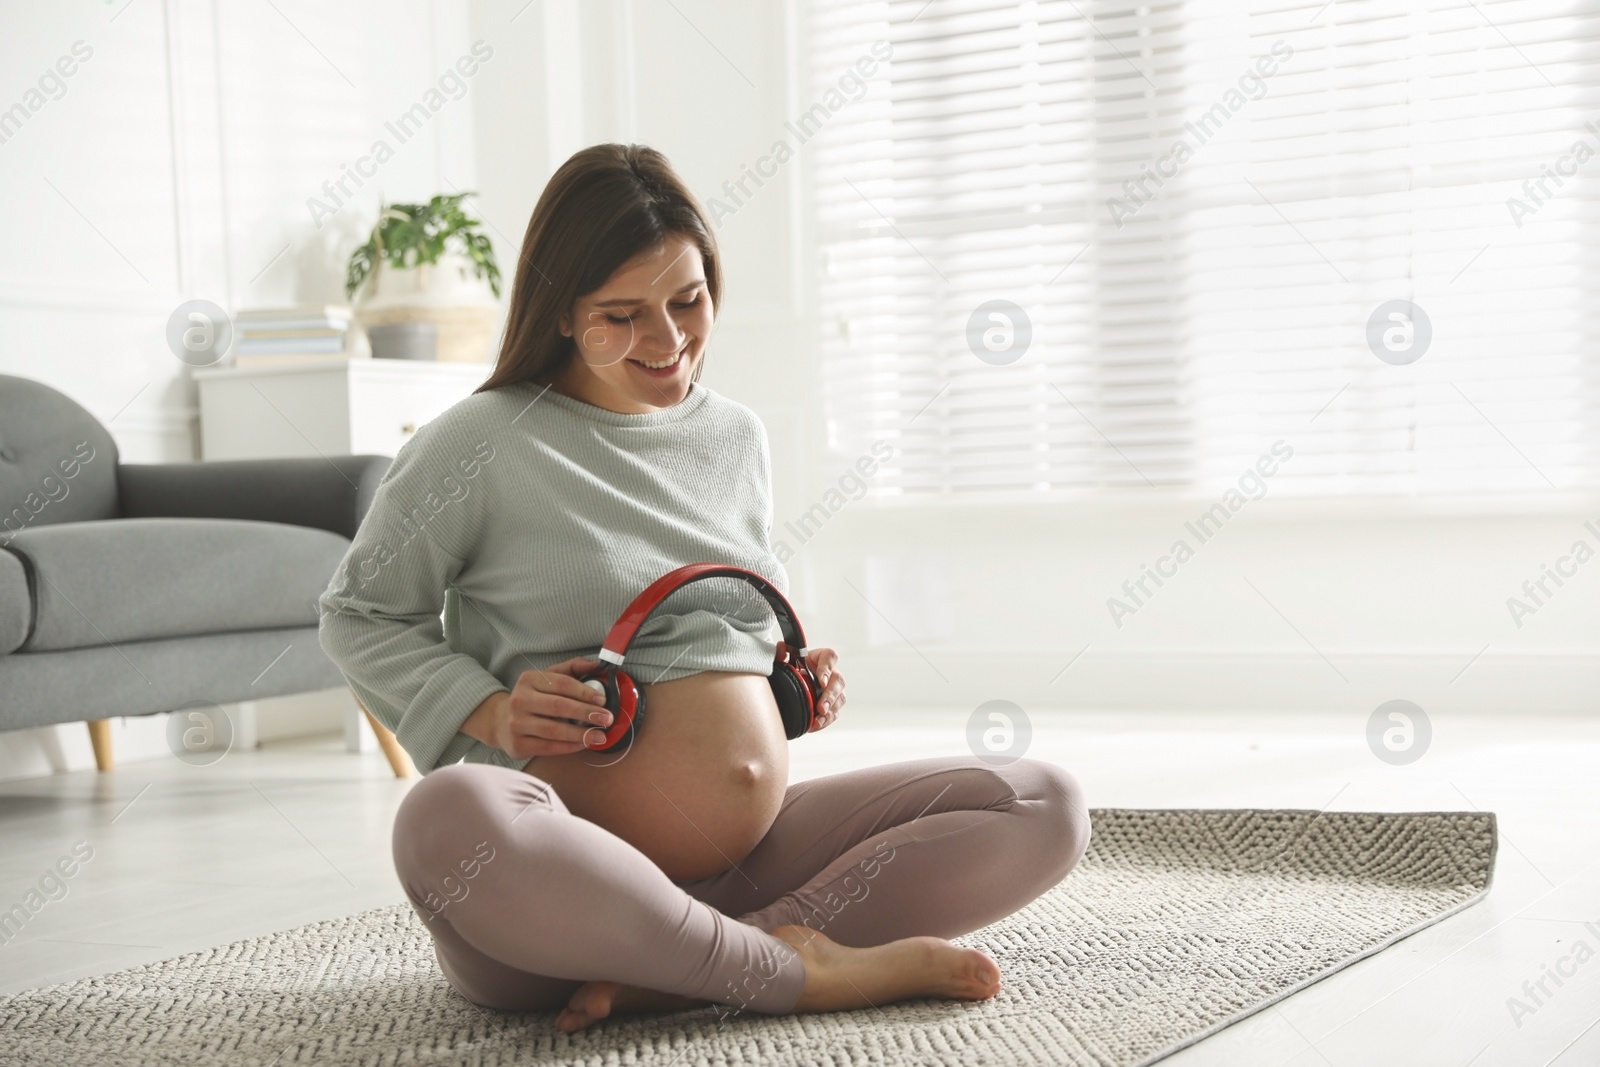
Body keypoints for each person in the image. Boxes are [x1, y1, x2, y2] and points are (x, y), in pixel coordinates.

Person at [319, 143, 1090, 1034]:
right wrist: (486, 710)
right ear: (561, 313)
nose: (669, 339)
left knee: (1041, 800)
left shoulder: (734, 437)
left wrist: (782, 684)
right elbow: (360, 613)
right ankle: (786, 969)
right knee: (443, 815)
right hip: (554, 906)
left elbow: (718, 626)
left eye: (688, 300)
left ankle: (715, 962)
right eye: (622, 314)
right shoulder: (480, 442)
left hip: (749, 865)